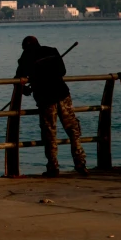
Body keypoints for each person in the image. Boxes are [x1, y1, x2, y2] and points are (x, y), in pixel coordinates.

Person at [15, 36, 88, 177]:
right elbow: (62, 71)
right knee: (73, 130)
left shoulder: (25, 58)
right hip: (62, 94)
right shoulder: (52, 51)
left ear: (24, 48)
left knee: (49, 133)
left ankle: (53, 167)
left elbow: (18, 78)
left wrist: (28, 87)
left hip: (45, 99)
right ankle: (80, 163)